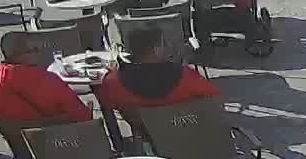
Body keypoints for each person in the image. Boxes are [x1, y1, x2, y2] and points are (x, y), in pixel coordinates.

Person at [0, 32, 92, 128]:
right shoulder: (48, 80)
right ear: (18, 55)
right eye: (34, 50)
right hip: (64, 141)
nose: (39, 53)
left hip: (22, 146)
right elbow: (84, 116)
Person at [92, 26, 220, 112]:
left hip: (145, 137)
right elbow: (215, 100)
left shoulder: (113, 82)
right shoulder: (186, 77)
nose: (168, 46)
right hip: (184, 133)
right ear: (156, 49)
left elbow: (105, 102)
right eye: (163, 43)